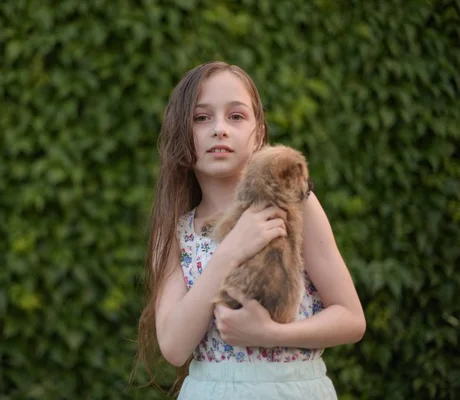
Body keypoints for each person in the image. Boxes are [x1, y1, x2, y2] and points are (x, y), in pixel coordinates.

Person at [135, 61, 366, 399]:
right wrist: (230, 249)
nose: (219, 129)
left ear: (258, 133)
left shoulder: (293, 204)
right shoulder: (174, 232)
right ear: (180, 134)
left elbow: (351, 319)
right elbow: (173, 346)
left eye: (236, 116)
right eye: (201, 118)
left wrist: (270, 333)